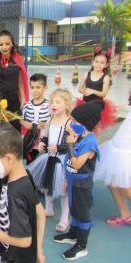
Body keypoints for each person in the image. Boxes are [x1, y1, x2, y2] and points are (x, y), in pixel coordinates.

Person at [0, 122, 46, 263]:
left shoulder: (14, 193)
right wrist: (39, 250)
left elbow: (24, 241)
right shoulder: (25, 177)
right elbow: (40, 214)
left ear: (9, 158)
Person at [53, 102, 101, 260]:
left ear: (85, 123)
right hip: (73, 181)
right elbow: (69, 165)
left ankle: (82, 244)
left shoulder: (89, 142)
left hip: (82, 184)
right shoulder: (79, 137)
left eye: (75, 121)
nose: (71, 124)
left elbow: (77, 163)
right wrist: (67, 178)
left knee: (82, 212)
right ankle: (73, 233)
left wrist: (70, 145)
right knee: (74, 208)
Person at [27, 89, 73, 233]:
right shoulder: (50, 120)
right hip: (49, 158)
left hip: (63, 160)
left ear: (66, 104)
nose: (53, 104)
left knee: (64, 190)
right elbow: (45, 138)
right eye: (52, 102)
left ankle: (65, 218)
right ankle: (49, 208)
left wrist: (59, 147)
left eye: (58, 102)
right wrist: (42, 144)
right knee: (47, 183)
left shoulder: (69, 122)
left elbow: (72, 143)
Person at [0, 30, 29, 132]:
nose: (4, 47)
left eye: (7, 44)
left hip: (14, 102)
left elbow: (20, 80)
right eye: (1, 44)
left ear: (12, 44)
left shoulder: (17, 58)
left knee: (15, 131)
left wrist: (23, 99)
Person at [94, 111, 131, 225]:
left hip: (125, 149)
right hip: (118, 144)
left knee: (123, 187)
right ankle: (125, 215)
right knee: (112, 182)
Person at [77, 47, 116, 131]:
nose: (98, 64)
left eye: (102, 63)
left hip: (96, 106)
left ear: (106, 65)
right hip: (85, 103)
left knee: (91, 127)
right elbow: (80, 88)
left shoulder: (106, 77)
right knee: (81, 125)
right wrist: (83, 91)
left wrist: (92, 91)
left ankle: (90, 141)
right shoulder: (86, 74)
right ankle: (81, 141)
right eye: (96, 62)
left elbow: (104, 93)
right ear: (93, 62)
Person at [21, 73, 50, 163]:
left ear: (45, 88)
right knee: (30, 163)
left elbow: (55, 123)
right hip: (31, 143)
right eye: (32, 87)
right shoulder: (26, 105)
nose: (35, 90)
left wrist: (46, 125)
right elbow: (21, 120)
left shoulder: (50, 105)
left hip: (45, 141)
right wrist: (26, 124)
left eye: (38, 87)